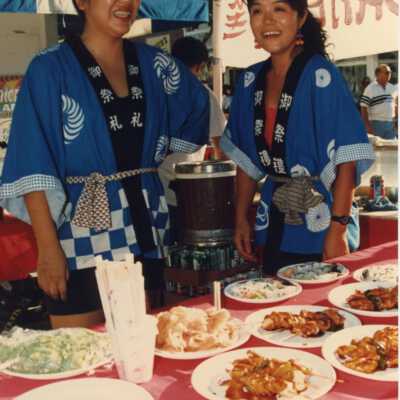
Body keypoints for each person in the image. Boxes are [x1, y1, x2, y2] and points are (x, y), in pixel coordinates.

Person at [0, 0, 209, 328]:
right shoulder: (50, 68)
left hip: (146, 230)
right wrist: (48, 249)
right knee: (83, 357)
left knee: (139, 353)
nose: (125, 3)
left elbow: (198, 109)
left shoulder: (157, 65)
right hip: (78, 235)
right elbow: (32, 163)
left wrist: (151, 161)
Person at [220, 0, 375, 275]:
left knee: (319, 310)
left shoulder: (321, 75)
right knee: (277, 309)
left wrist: (338, 229)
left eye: (278, 9)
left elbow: (346, 158)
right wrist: (241, 218)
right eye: (257, 11)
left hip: (322, 219)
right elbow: (245, 160)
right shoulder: (248, 81)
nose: (267, 21)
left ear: (301, 17)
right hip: (274, 217)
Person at [158, 36, 226, 242]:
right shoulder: (204, 96)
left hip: (150, 187)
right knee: (185, 246)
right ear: (200, 66)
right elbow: (221, 149)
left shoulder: (153, 90)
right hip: (186, 190)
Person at [360, 64, 398, 139]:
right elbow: (363, 107)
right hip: (375, 124)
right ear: (378, 74)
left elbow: (396, 105)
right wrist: (367, 126)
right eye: (387, 72)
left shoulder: (392, 88)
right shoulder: (370, 88)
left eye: (390, 72)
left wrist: (396, 121)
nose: (389, 74)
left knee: (392, 148)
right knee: (377, 149)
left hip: (390, 124)